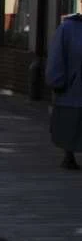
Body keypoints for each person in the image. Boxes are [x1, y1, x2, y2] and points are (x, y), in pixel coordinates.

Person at [45, 9, 82, 170]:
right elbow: (56, 57)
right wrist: (57, 81)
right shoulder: (68, 28)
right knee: (71, 123)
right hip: (73, 90)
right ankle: (69, 155)